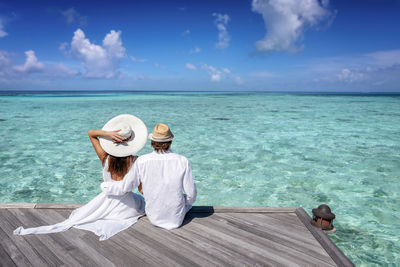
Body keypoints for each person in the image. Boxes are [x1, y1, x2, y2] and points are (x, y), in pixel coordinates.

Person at [14, 114, 148, 240]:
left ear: (114, 141)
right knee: (141, 201)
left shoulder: (104, 157)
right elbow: (142, 190)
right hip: (128, 209)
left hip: (105, 202)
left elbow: (91, 133)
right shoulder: (138, 161)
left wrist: (107, 134)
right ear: (131, 141)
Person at [101, 123, 197, 230]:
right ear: (170, 141)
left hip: (154, 217)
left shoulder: (142, 161)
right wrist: (184, 202)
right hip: (176, 219)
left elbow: (126, 187)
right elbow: (191, 194)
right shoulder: (182, 161)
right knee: (182, 199)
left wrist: (106, 186)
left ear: (152, 142)